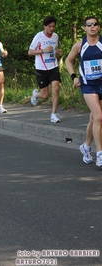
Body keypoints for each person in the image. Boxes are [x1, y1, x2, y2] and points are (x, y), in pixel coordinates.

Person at [65, 16, 102, 167]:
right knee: (99, 117)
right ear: (84, 28)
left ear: (98, 27)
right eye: (89, 25)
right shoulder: (80, 45)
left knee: (94, 119)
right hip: (87, 85)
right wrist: (74, 77)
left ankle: (85, 147)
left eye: (95, 24)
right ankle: (100, 154)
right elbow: (68, 60)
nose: (92, 27)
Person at [28, 16, 63, 123]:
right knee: (45, 95)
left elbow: (53, 48)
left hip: (53, 66)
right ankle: (36, 94)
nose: (52, 29)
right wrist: (43, 50)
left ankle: (53, 114)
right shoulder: (39, 36)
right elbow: (30, 52)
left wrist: (57, 51)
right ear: (44, 26)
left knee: (56, 89)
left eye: (53, 26)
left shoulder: (55, 36)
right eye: (49, 26)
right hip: (41, 68)